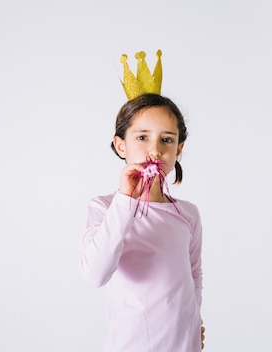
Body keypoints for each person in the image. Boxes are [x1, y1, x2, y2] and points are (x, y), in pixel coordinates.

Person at [79, 51, 205, 351]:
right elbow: (96, 274)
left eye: (167, 139)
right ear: (120, 144)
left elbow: (194, 273)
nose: (155, 150)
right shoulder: (106, 208)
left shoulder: (188, 214)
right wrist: (125, 199)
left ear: (179, 149)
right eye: (142, 137)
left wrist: (195, 320)